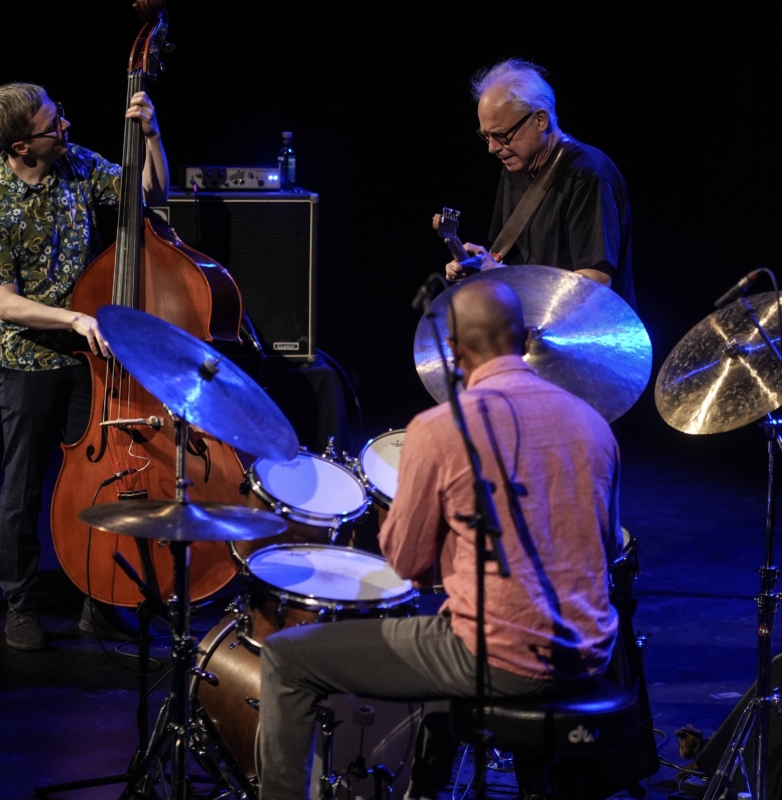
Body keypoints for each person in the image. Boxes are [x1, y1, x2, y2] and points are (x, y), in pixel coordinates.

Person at [257, 280, 621, 799]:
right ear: (525, 340)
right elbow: (604, 547)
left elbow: (405, 563)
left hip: (500, 659)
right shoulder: (592, 424)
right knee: (447, 623)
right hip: (590, 651)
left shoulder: (441, 428)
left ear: (452, 352)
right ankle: (424, 789)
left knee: (287, 658)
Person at [0, 82, 168, 651]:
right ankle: (21, 603)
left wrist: (152, 136)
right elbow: (4, 302)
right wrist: (76, 319)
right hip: (26, 361)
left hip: (88, 357)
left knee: (99, 480)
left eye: (60, 116)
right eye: (51, 125)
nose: (65, 129)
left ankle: (99, 600)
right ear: (19, 146)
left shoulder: (75, 163)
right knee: (23, 485)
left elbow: (149, 192)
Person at [446, 59, 636, 311]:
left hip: (585, 336)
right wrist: (482, 266)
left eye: (501, 135)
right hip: (533, 330)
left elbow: (595, 283)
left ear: (540, 120)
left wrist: (507, 278)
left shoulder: (588, 176)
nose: (492, 148)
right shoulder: (515, 167)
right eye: (486, 136)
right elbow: (510, 262)